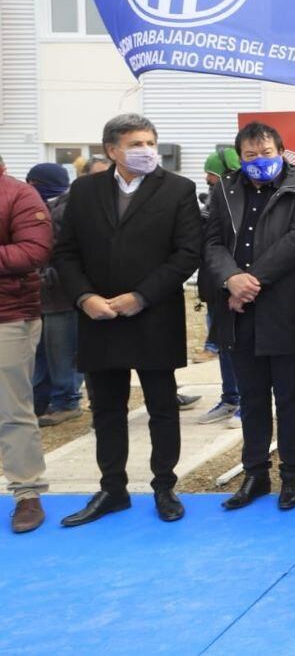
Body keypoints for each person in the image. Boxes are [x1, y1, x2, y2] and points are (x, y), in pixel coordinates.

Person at [53, 114, 202, 527]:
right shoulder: (83, 191)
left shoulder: (178, 189)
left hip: (153, 315)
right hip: (99, 318)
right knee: (107, 409)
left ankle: (165, 487)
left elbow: (188, 253)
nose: (147, 151)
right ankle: (113, 489)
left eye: (151, 142)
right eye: (137, 144)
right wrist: (84, 298)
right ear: (112, 150)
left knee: (161, 407)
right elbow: (65, 252)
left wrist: (142, 296)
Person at [205, 121, 295, 512]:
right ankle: (255, 473)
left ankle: (293, 475)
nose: (259, 160)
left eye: (266, 152)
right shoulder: (224, 189)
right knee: (251, 398)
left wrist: (249, 281)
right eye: (250, 155)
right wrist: (230, 280)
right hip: (238, 313)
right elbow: (212, 243)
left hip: (285, 308)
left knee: (290, 398)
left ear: (281, 151)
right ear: (240, 158)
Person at [0, 166, 53, 533]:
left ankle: (27, 493)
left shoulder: (19, 194)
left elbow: (33, 251)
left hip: (8, 317)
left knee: (12, 409)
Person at [25, 163, 82, 426]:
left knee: (61, 351)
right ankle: (43, 401)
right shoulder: (51, 207)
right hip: (48, 294)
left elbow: (62, 251)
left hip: (61, 294)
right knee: (46, 351)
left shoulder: (62, 210)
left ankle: (66, 402)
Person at [197, 148, 243, 427]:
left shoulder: (241, 204)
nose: (208, 182)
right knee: (224, 346)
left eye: (213, 178)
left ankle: (245, 400)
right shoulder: (211, 206)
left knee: (241, 347)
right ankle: (230, 398)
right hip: (214, 286)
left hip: (237, 286)